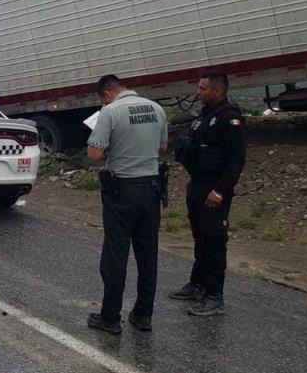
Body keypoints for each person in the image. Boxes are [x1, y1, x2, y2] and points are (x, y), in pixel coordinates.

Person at [86, 74, 168, 334]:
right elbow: (162, 148)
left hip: (121, 190)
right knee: (147, 254)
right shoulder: (156, 108)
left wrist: (116, 148)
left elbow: (94, 154)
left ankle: (110, 317)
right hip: (151, 189)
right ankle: (143, 315)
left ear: (107, 93)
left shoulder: (110, 112)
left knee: (116, 254)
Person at [171, 72, 246, 316]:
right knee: (200, 239)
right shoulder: (204, 117)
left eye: (202, 89)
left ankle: (215, 297)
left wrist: (220, 190)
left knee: (214, 243)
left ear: (217, 90)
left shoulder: (229, 119)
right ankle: (198, 284)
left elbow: (236, 161)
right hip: (198, 185)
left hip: (215, 188)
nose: (198, 92)